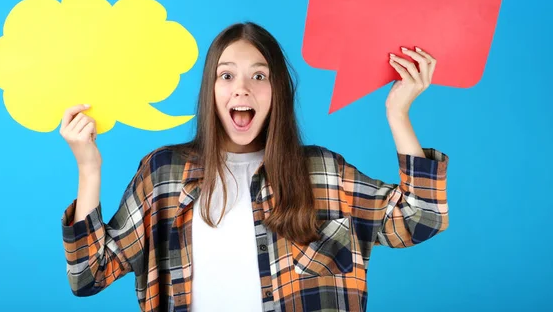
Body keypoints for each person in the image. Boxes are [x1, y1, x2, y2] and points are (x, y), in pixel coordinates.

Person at [60, 22, 449, 312]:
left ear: (277, 90)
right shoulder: (164, 173)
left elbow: (421, 218)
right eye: (226, 75)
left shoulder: (321, 171)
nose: (241, 89)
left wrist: (398, 112)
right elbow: (89, 274)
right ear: (210, 91)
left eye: (258, 76)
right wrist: (88, 168)